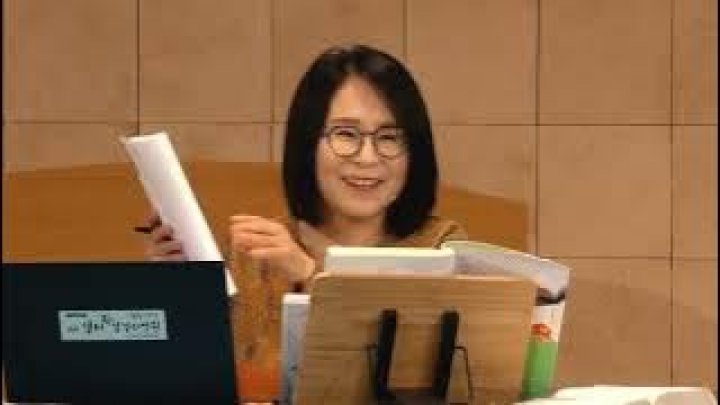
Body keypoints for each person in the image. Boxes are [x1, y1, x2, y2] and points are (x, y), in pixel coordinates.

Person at [139, 44, 467, 401]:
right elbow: (198, 380)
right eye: (346, 134)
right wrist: (172, 291)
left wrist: (311, 275)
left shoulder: (444, 248)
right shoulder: (257, 252)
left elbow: (431, 382)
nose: (367, 157)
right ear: (307, 144)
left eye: (389, 137)